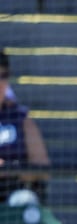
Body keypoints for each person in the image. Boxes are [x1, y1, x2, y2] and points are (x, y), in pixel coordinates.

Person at [0, 49, 52, 200]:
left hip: (14, 198)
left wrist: (10, 169)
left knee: (24, 199)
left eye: (3, 76)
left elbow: (43, 168)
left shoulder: (20, 118)